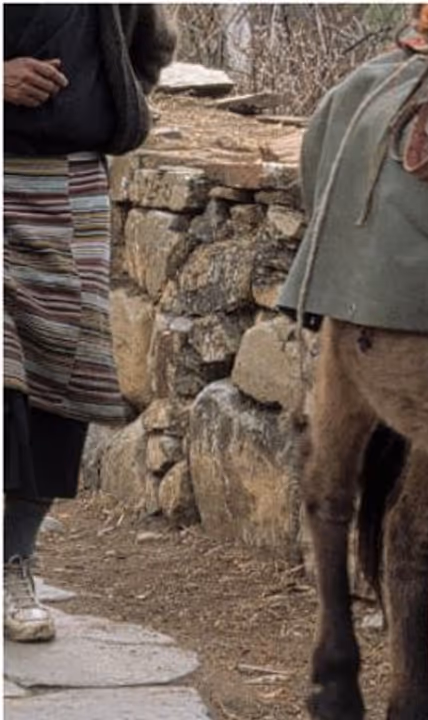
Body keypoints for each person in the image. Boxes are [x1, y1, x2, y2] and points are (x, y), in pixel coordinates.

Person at [4, 5, 176, 642]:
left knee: (57, 387)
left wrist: (124, 105)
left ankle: (14, 562)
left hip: (73, 184)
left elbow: (150, 45)